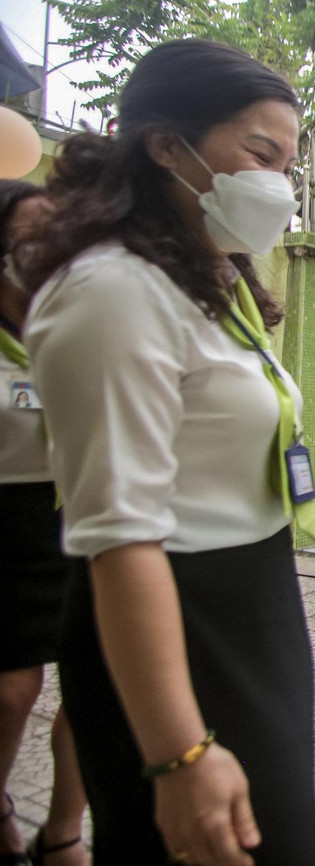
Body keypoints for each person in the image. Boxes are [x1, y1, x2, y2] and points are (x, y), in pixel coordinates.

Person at [24, 40, 315, 865]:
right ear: (165, 145)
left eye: (287, 164)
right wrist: (181, 754)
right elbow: (119, 537)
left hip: (252, 601)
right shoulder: (110, 292)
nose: (276, 182)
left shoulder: (203, 281)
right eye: (259, 153)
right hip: (178, 619)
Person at [0, 182, 91, 866]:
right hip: (6, 524)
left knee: (94, 689)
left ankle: (62, 832)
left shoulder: (79, 323)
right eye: (29, 242)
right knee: (13, 690)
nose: (45, 257)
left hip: (81, 515)